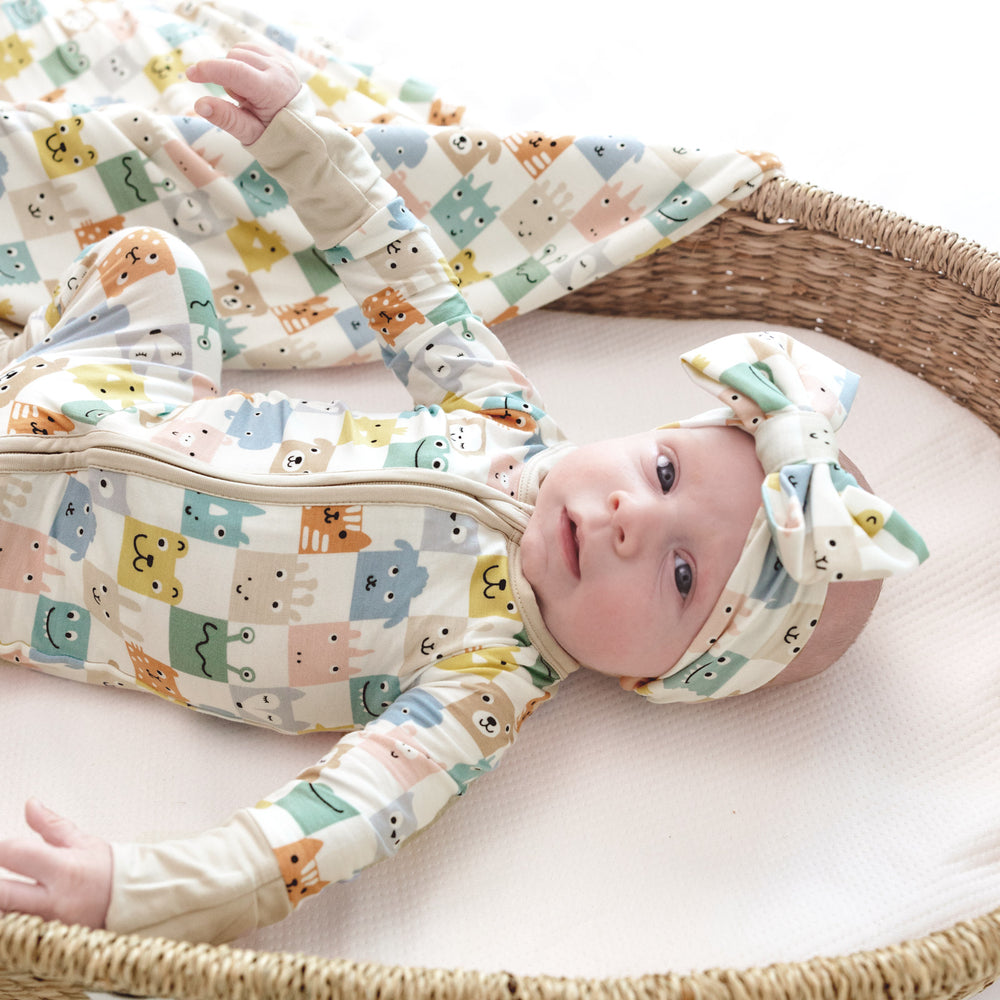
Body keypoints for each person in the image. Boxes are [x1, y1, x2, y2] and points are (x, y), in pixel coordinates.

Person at [0, 45, 927, 943]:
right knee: (152, 265)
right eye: (665, 473)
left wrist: (136, 889)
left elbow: (329, 826)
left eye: (683, 575)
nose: (629, 520)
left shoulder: (484, 684)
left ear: (662, 677)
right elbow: (403, 277)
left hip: (44, 565)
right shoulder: (504, 419)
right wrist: (299, 141)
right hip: (105, 389)